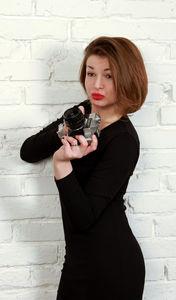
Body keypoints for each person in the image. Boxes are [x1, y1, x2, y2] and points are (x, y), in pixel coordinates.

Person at [20, 36, 148, 300]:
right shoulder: (84, 113)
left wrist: (61, 162)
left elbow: (85, 217)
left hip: (113, 267)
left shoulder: (123, 140)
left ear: (126, 78)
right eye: (91, 73)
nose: (96, 84)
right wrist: (63, 129)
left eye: (109, 76)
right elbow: (28, 151)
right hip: (78, 261)